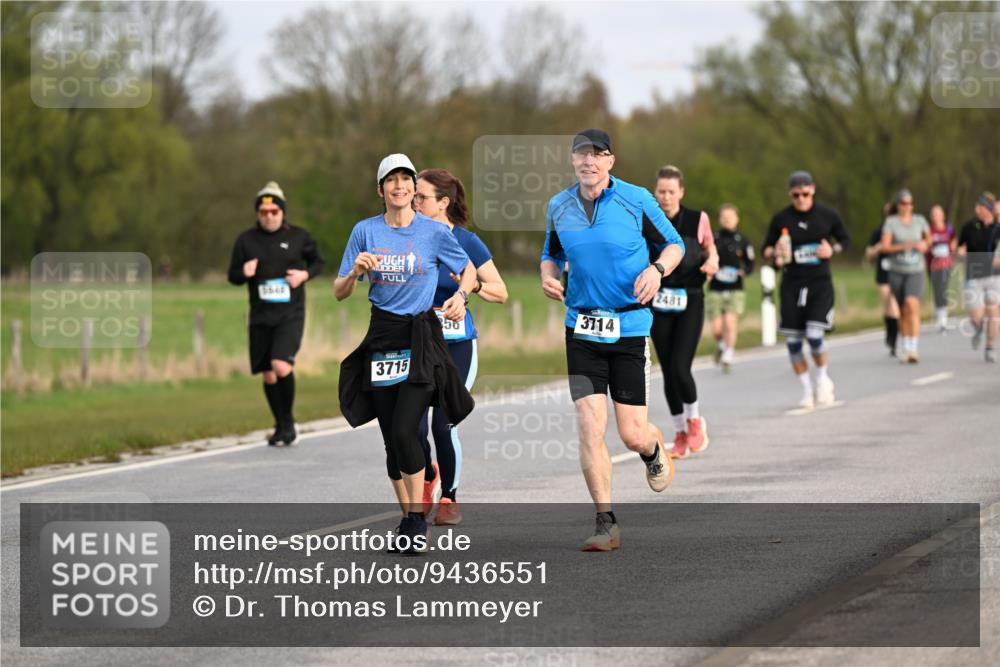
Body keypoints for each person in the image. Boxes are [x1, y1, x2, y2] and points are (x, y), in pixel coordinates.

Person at [541, 129, 684, 552]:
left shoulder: (636, 199)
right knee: (589, 426)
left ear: (610, 161)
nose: (588, 161)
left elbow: (674, 244)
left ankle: (653, 447)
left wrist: (657, 270)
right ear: (572, 161)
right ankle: (606, 523)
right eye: (581, 154)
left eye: (597, 154)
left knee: (631, 433)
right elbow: (551, 254)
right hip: (581, 329)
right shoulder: (558, 205)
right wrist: (548, 276)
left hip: (629, 327)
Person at [335, 154, 478, 554]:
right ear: (380, 189)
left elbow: (467, 270)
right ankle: (410, 518)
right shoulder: (364, 231)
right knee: (390, 441)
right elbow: (339, 291)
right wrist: (353, 273)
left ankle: (417, 519)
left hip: (420, 337)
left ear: (415, 189)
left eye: (405, 180)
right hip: (381, 337)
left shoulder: (432, 232)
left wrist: (462, 297)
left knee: (405, 429)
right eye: (391, 180)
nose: (399, 186)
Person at [412, 168, 508, 526]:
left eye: (421, 196)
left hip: (457, 345)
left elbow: (501, 291)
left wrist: (470, 290)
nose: (414, 201)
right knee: (413, 427)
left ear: (443, 203)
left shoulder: (467, 242)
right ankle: (427, 475)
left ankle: (450, 497)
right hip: (418, 343)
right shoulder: (411, 237)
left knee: (443, 425)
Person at [227, 181, 325, 445]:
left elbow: (319, 262)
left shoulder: (299, 237)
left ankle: (288, 422)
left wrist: (304, 274)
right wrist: (243, 273)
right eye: (263, 212)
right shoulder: (246, 240)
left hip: (290, 314)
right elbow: (232, 276)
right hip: (260, 316)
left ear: (282, 212)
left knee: (281, 365)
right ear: (258, 214)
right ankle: (281, 424)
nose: (269, 216)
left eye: (274, 212)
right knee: (268, 373)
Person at [762, 171, 851, 409]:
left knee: (814, 335)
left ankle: (822, 379)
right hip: (792, 284)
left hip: (819, 283)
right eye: (796, 195)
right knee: (793, 342)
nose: (801, 198)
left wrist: (832, 249)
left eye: (805, 193)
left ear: (813, 190)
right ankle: (806, 389)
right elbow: (766, 250)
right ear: (790, 194)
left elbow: (846, 240)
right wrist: (775, 252)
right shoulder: (781, 219)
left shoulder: (827, 215)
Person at [649, 165, 718, 459]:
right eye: (661, 191)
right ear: (655, 192)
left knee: (680, 366)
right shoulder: (646, 219)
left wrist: (712, 261)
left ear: (681, 192)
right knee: (668, 371)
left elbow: (710, 248)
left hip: (690, 298)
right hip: (657, 300)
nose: (666, 197)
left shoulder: (697, 219)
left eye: (671, 192)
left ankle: (694, 420)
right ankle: (679, 432)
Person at [881, 189, 931, 363]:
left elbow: (929, 240)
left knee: (912, 304)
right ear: (898, 205)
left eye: (909, 203)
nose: (907, 206)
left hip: (916, 269)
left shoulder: (920, 220)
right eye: (903, 203)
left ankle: (913, 349)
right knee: (902, 309)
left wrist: (924, 245)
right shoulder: (891, 222)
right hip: (897, 271)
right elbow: (884, 247)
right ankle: (905, 344)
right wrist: (904, 246)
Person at [708, 203, 755, 373]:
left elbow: (751, 263)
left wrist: (744, 272)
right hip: (716, 287)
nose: (727, 220)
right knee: (717, 328)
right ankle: (721, 345)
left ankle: (728, 354)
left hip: (735, 287)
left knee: (730, 322)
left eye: (730, 217)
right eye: (724, 217)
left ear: (737, 219)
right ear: (720, 219)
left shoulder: (743, 241)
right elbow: (704, 257)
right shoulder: (713, 238)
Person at [957, 192, 1000, 363]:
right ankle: (979, 327)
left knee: (993, 311)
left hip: (994, 277)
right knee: (976, 315)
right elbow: (960, 248)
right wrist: (960, 253)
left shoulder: (998, 229)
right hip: (974, 275)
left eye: (981, 206)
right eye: (977, 206)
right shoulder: (969, 227)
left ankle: (989, 347)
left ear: (988, 209)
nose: (977, 209)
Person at [865, 201, 901, 356]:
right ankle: (890, 331)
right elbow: (869, 255)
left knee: (894, 305)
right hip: (883, 273)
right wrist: (879, 247)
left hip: (899, 271)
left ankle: (894, 340)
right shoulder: (878, 231)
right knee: (887, 306)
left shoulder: (901, 230)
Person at [927, 204, 957, 332]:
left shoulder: (948, 228)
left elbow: (954, 239)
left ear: (943, 215)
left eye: (938, 214)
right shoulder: (929, 230)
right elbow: (926, 243)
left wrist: (951, 248)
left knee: (943, 288)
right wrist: (932, 249)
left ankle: (943, 318)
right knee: (936, 289)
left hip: (946, 263)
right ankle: (939, 313)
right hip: (932, 264)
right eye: (934, 214)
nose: (936, 216)